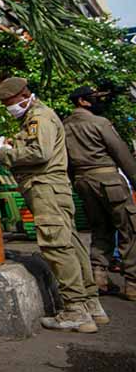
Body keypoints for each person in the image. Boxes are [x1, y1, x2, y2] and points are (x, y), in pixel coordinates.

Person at [0, 77, 107, 332]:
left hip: (45, 188)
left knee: (56, 245)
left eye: (9, 102)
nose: (7, 108)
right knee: (70, 243)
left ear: (23, 96)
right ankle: (91, 304)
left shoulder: (39, 117)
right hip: (54, 188)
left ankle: (75, 310)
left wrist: (3, 152)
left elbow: (39, 153)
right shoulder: (36, 117)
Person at [63, 86, 136, 300]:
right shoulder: (99, 123)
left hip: (82, 183)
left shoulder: (63, 126)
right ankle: (132, 283)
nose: (99, 101)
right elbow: (121, 153)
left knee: (100, 228)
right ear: (82, 101)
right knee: (129, 228)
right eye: (95, 98)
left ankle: (99, 277)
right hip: (109, 181)